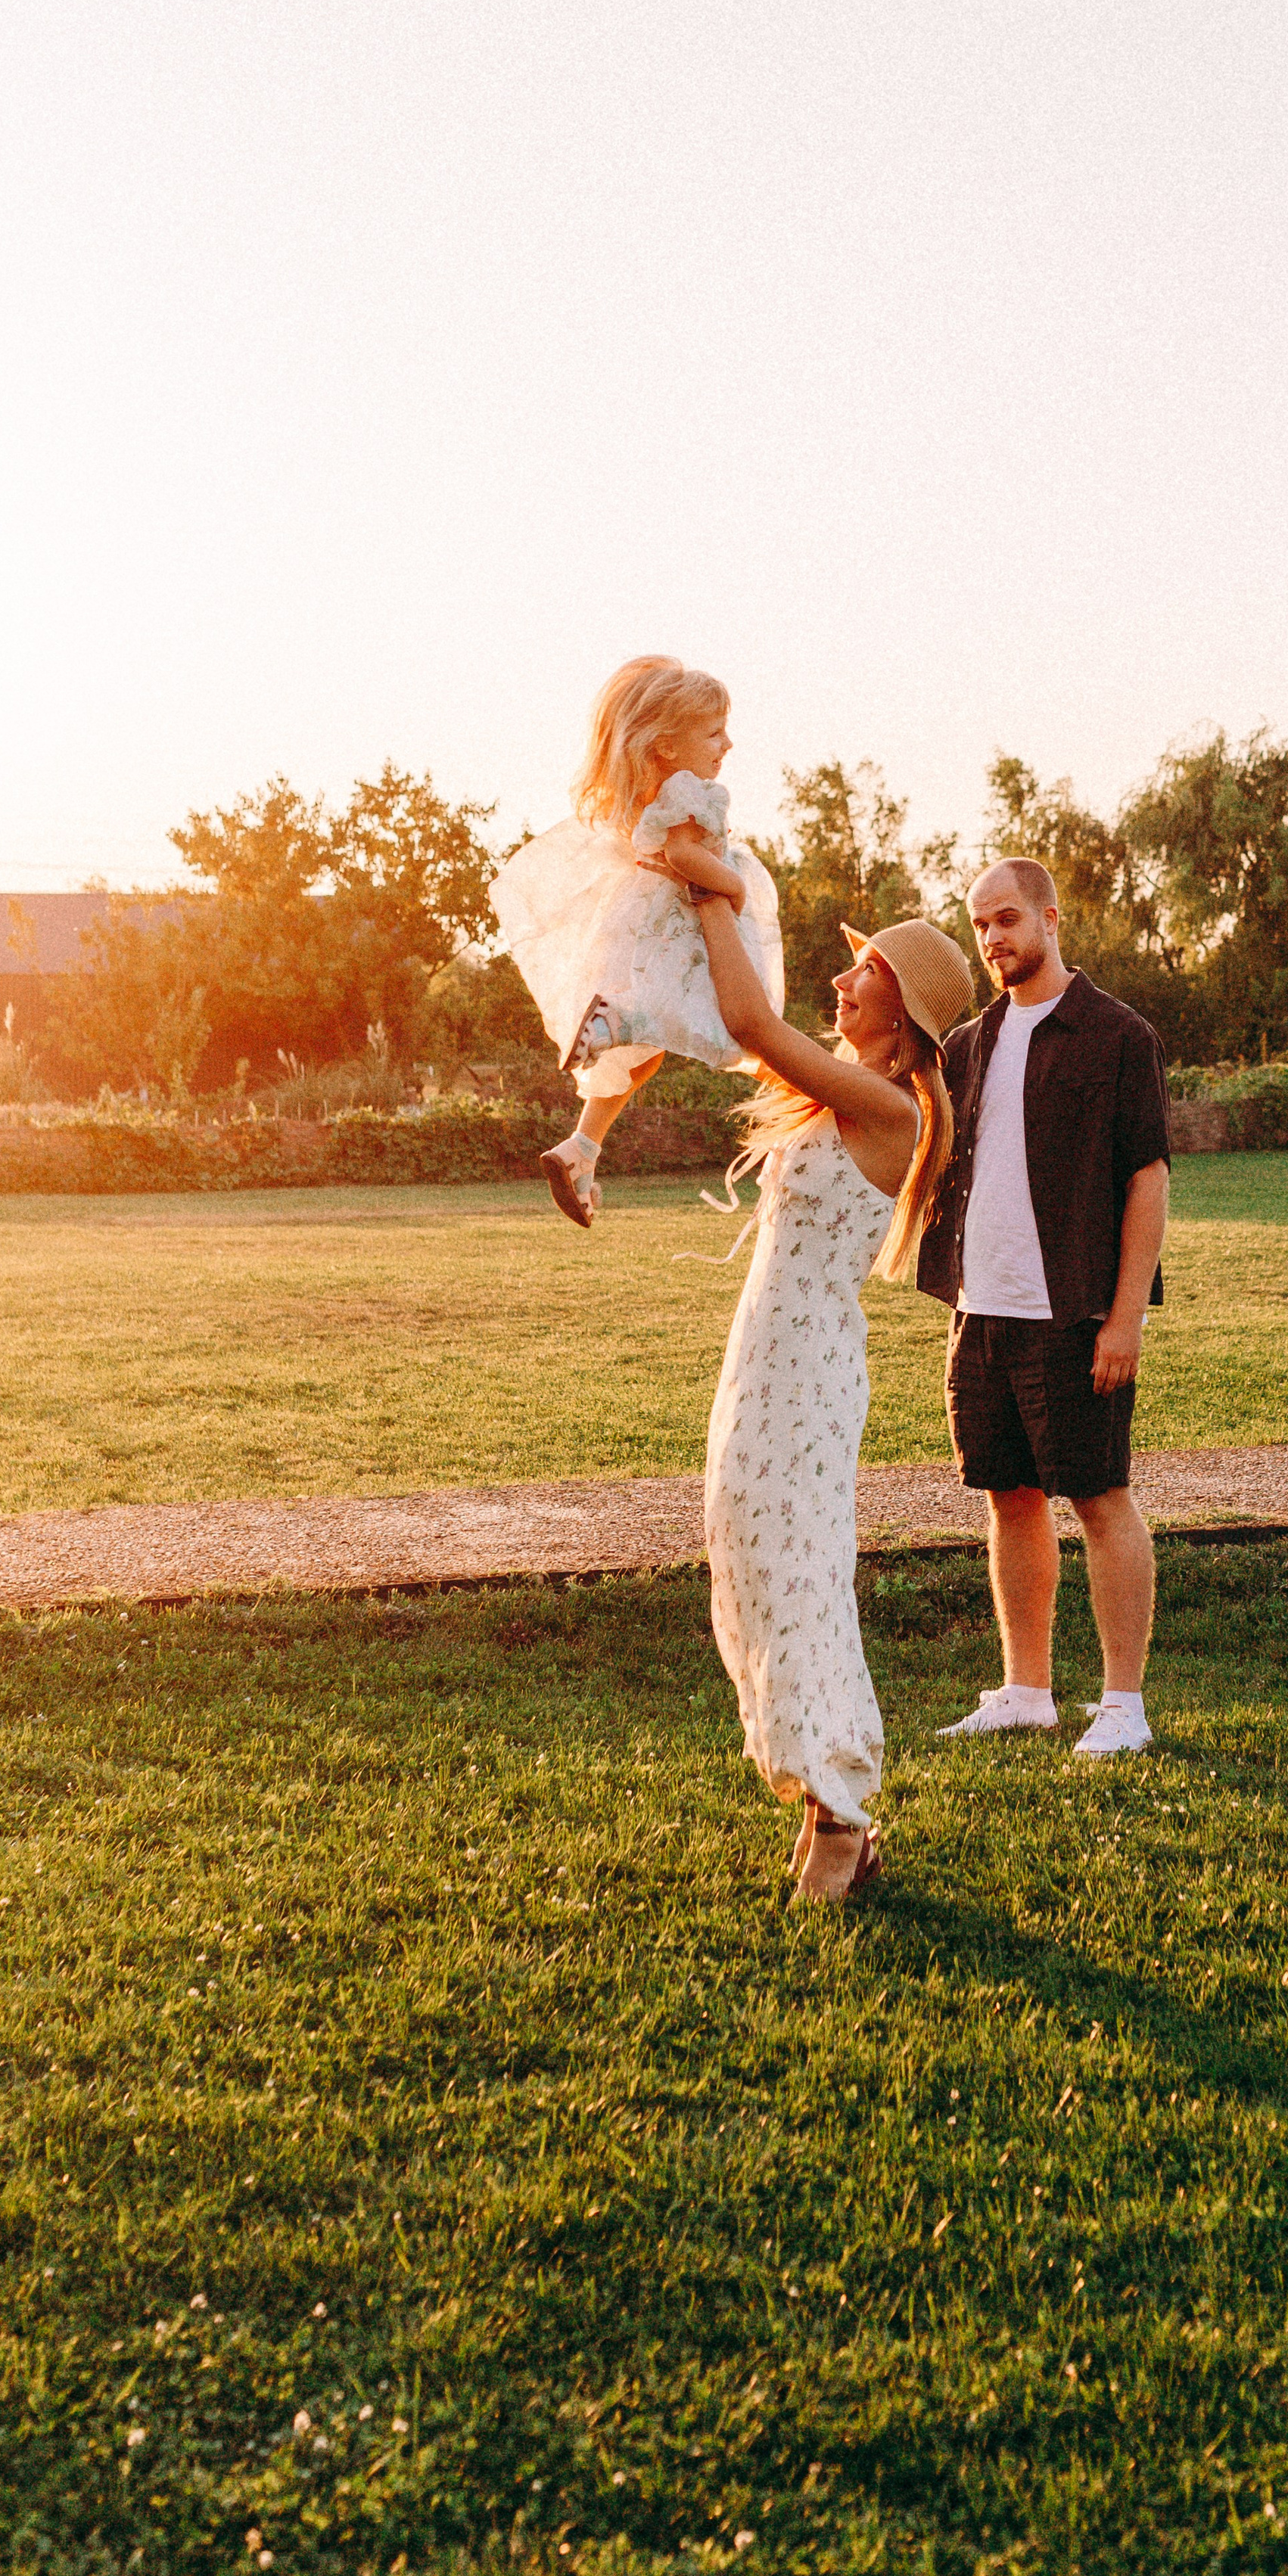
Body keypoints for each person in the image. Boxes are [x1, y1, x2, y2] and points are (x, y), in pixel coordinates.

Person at [693, 888, 975, 1897]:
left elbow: (749, 1022)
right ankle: (826, 1802)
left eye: (863, 971)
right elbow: (723, 1022)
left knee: (799, 1575)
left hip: (806, 1363)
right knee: (759, 1564)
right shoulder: (840, 1093)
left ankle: (843, 1811)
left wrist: (710, 893)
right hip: (762, 1355)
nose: (841, 981)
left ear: (902, 1011)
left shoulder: (892, 1109)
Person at [916, 859, 1171, 1757]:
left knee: (1100, 1499)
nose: (993, 939)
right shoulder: (969, 1044)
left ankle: (1123, 1706)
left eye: (1008, 919)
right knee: (1009, 1497)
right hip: (979, 1312)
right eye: (980, 925)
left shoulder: (1115, 1033)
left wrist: (1125, 1316)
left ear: (1052, 919)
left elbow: (1147, 1177)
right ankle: (1026, 1691)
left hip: (1072, 1316)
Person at [488, 656, 784, 1229]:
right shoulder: (686, 791)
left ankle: (582, 1148)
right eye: (714, 731)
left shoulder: (657, 790)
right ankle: (618, 1023)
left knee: (642, 1060)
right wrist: (733, 884)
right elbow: (682, 856)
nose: (728, 742)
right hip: (678, 921)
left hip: (645, 920)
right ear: (668, 745)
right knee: (739, 1031)